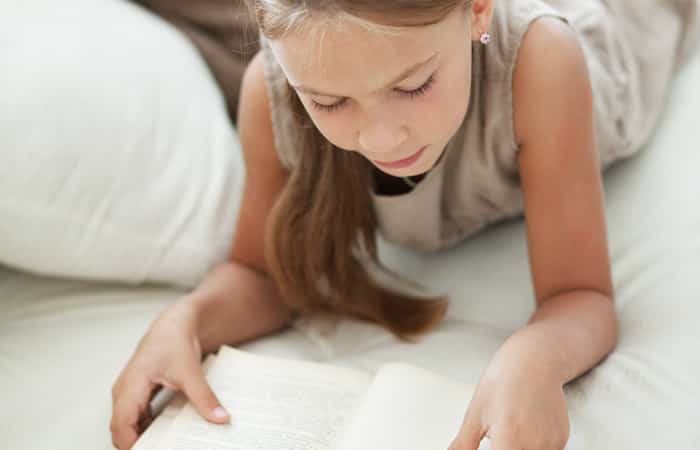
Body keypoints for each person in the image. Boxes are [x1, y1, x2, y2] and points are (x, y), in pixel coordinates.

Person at [110, 0, 698, 449]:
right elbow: (261, 274)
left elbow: (581, 296)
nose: (381, 138)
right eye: (329, 103)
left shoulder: (542, 62)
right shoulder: (271, 92)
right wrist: (187, 320)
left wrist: (535, 356)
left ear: (477, 11)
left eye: (413, 86)